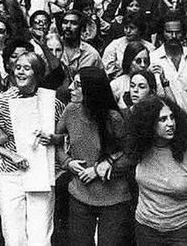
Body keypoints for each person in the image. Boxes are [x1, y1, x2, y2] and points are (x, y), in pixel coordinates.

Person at [0, 51, 65, 245]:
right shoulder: (0, 102)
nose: (21, 72)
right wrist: (9, 154)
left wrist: (54, 138)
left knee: (40, 238)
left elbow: (65, 139)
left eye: (27, 68)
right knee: (14, 237)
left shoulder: (53, 103)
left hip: (42, 174)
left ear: (37, 73)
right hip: (10, 175)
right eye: (18, 68)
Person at [57, 66, 132, 245]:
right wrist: (67, 162)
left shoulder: (114, 118)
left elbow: (131, 154)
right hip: (79, 195)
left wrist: (103, 166)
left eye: (77, 85)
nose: (70, 89)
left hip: (113, 198)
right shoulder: (70, 111)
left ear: (92, 89)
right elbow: (57, 143)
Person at [129, 96, 187, 245]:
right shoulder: (140, 150)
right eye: (162, 119)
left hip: (180, 232)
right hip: (145, 229)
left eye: (172, 117)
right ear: (148, 123)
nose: (170, 123)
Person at [150, 14, 187, 119]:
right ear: (162, 33)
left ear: (183, 33)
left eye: (178, 32)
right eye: (169, 32)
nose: (173, 36)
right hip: (165, 121)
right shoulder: (153, 58)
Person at [102, 13, 155, 79]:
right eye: (126, 27)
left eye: (132, 28)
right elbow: (107, 69)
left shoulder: (150, 48)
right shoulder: (115, 45)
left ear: (140, 29)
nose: (128, 31)